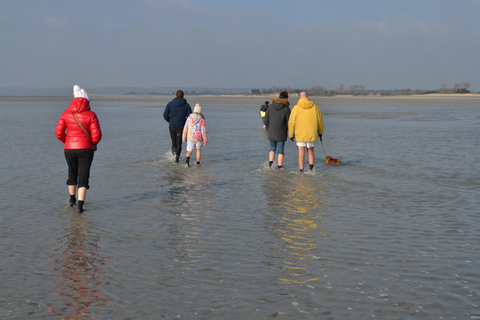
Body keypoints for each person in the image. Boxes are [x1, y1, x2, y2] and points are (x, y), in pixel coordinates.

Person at [55, 85, 102, 212]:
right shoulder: (91, 115)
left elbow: (58, 132)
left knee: (72, 173)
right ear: (87, 100)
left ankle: (71, 201)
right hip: (86, 149)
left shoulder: (65, 113)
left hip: (69, 148)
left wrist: (68, 141)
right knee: (83, 176)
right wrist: (91, 143)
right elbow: (97, 136)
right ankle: (80, 207)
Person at [288, 91, 324, 172]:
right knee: (310, 151)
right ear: (307, 97)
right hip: (311, 133)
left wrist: (291, 134)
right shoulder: (315, 107)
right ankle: (311, 168)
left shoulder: (296, 108)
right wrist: (320, 132)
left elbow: (291, 123)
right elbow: (320, 121)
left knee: (301, 153)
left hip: (300, 134)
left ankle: (301, 170)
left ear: (300, 98)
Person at [163, 90, 192, 162]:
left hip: (172, 126)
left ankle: (173, 156)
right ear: (183, 96)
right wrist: (186, 124)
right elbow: (190, 117)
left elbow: (165, 115)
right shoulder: (186, 105)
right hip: (181, 126)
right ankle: (177, 159)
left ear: (175, 96)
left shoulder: (170, 104)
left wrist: (170, 121)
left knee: (173, 142)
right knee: (179, 143)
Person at [264, 91, 290, 169]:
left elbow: (266, 120)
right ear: (285, 98)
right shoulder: (286, 109)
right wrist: (288, 130)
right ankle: (279, 167)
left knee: (272, 148)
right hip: (281, 133)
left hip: (271, 131)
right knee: (280, 150)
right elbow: (289, 123)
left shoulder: (270, 107)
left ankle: (270, 164)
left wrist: (268, 129)